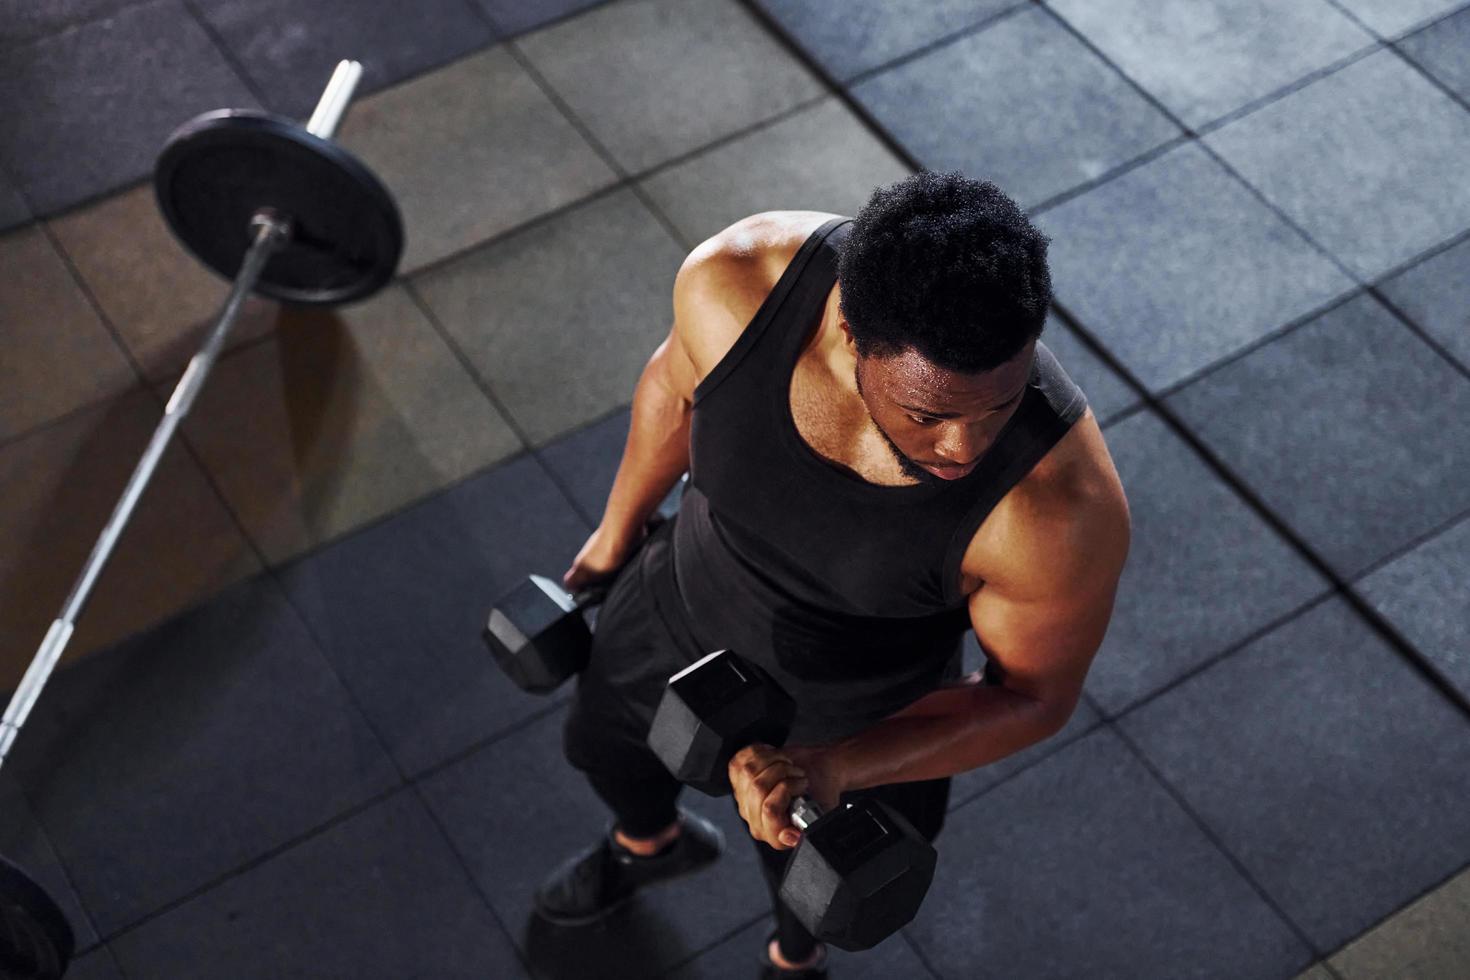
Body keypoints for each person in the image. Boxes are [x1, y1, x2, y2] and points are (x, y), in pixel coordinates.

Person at [535, 172, 1131, 978]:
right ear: (851, 332)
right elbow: (673, 391)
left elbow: (1031, 698)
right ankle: (649, 845)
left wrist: (839, 764)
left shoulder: (1057, 513)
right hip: (677, 604)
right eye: (928, 415)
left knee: (811, 891)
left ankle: (794, 959)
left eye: (999, 405)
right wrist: (612, 539)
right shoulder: (739, 287)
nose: (965, 449)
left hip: (862, 717)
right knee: (602, 753)